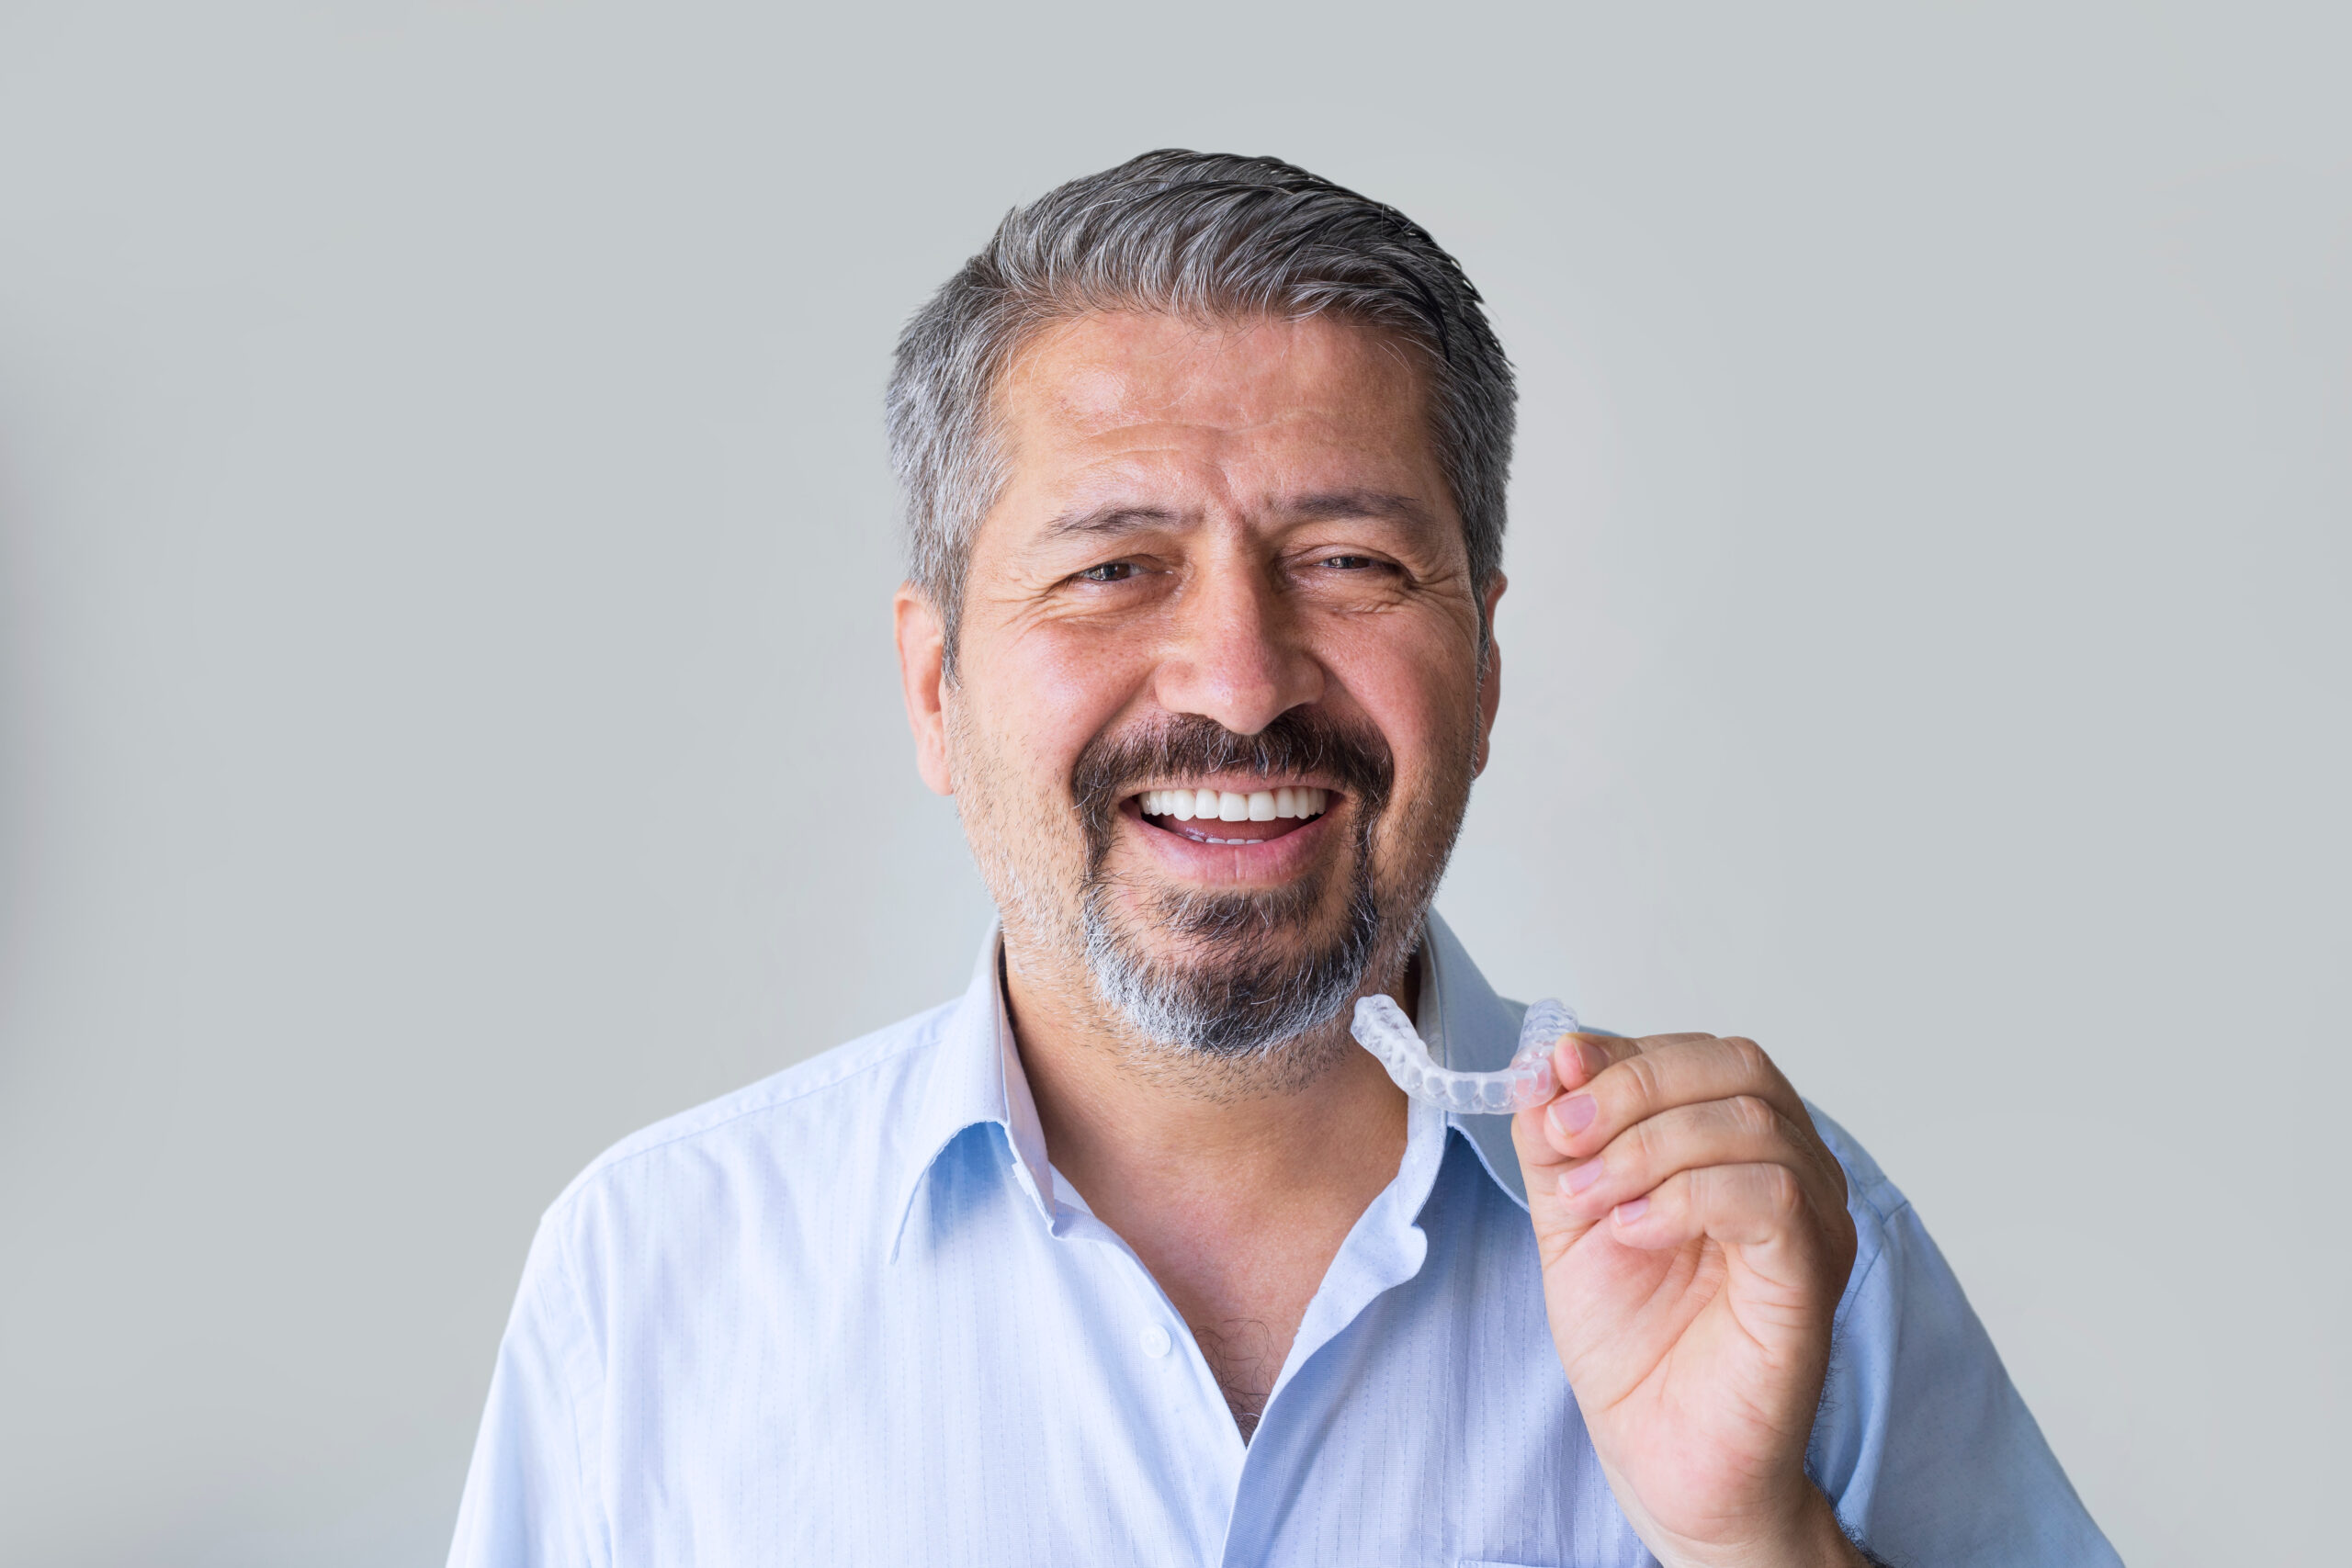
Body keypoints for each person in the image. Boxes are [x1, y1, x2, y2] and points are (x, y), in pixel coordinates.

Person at [447, 151, 2119, 1567]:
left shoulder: (1789, 1248)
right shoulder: (653, 1284)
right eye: (1114, 569)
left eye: (1348, 560)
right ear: (936, 687)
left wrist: (1757, 1539)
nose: (1242, 681)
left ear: (1482, 676)